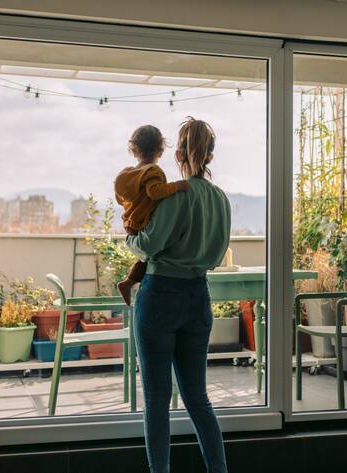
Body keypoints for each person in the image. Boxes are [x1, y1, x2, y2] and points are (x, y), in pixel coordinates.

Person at [126, 117, 230, 473]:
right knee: (198, 398)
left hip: (160, 298)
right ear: (210, 155)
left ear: (179, 154)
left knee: (157, 399)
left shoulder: (176, 193)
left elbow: (148, 245)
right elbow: (216, 255)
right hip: (198, 297)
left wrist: (130, 238)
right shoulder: (220, 199)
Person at [115, 125, 189, 306]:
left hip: (131, 222)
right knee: (157, 254)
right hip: (143, 222)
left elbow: (120, 199)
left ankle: (128, 283)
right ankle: (128, 283)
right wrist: (177, 186)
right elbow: (155, 192)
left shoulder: (129, 174)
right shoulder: (152, 171)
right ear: (160, 151)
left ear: (134, 149)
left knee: (145, 258)